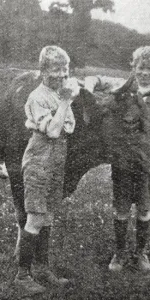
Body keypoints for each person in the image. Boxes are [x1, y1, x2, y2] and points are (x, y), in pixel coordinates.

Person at [14, 45, 80, 296]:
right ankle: (22, 275)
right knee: (35, 217)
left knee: (48, 215)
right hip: (39, 161)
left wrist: (63, 103)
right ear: (42, 71)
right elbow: (53, 131)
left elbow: (68, 126)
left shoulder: (57, 93)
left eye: (66, 71)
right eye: (56, 71)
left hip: (55, 161)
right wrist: (65, 102)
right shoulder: (37, 97)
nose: (63, 77)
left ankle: (42, 268)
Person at [84, 46, 150, 272]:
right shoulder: (123, 88)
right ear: (133, 67)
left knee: (144, 210)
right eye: (141, 68)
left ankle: (141, 253)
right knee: (121, 209)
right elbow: (99, 85)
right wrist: (91, 84)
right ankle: (120, 253)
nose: (145, 73)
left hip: (146, 164)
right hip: (123, 162)